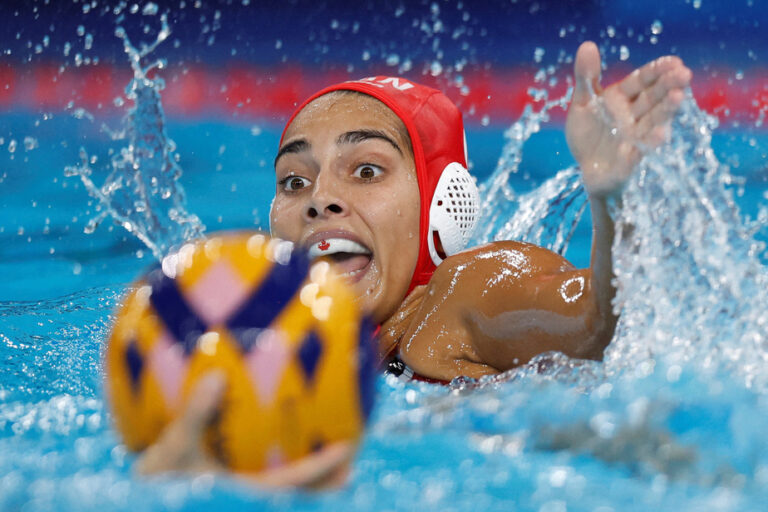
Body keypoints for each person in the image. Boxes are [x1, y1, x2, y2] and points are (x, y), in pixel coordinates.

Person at [138, 42, 691, 483]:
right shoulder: (287, 357)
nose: (319, 197)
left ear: (440, 207)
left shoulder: (463, 296)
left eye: (367, 170)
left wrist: (613, 200)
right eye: (295, 181)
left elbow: (595, 322)